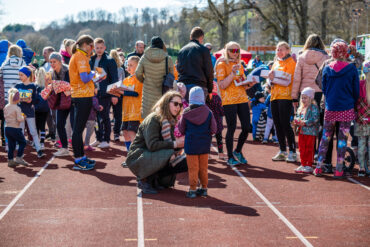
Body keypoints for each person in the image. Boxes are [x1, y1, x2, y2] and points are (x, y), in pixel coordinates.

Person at [126, 91, 188, 194]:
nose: (178, 107)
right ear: (166, 102)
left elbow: (171, 144)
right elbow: (152, 145)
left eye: (180, 105)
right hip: (138, 156)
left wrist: (182, 144)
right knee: (169, 153)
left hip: (153, 155)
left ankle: (156, 178)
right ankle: (144, 179)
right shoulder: (154, 119)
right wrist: (176, 144)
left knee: (187, 159)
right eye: (175, 103)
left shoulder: (169, 120)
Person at [313, 42, 359, 178]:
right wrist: (352, 101)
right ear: (345, 52)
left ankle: (319, 167)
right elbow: (355, 89)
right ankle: (339, 169)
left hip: (330, 107)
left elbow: (324, 88)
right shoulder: (351, 68)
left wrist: (331, 98)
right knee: (342, 139)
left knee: (325, 138)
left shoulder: (327, 67)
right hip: (346, 107)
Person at [216, 41, 256, 166]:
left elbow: (241, 83)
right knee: (231, 128)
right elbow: (222, 85)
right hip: (229, 100)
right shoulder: (221, 64)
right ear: (227, 51)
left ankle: (237, 151)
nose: (235, 53)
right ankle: (229, 157)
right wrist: (232, 73)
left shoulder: (239, 64)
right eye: (233, 50)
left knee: (247, 127)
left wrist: (250, 83)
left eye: (237, 50)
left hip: (242, 99)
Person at [178, 86, 217, 198]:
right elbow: (214, 129)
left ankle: (192, 189)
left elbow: (181, 129)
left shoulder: (186, 112)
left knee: (192, 168)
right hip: (204, 145)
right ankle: (204, 188)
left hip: (191, 145)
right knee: (203, 168)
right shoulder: (208, 112)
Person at [69, 34, 96, 170]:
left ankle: (81, 156)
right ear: (86, 45)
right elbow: (85, 78)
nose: (93, 50)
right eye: (92, 46)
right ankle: (78, 159)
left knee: (79, 129)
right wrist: (94, 74)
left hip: (83, 95)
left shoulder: (81, 55)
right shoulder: (80, 56)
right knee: (78, 130)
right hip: (81, 96)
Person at [269, 41, 297, 163]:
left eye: (281, 49)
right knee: (277, 124)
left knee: (285, 124)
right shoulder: (276, 63)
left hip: (285, 96)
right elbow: (271, 81)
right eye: (277, 49)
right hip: (274, 96)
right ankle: (282, 150)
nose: (278, 51)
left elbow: (288, 80)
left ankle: (292, 151)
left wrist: (274, 78)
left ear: (287, 50)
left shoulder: (291, 63)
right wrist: (270, 80)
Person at [89, 38, 118, 149]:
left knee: (105, 117)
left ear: (105, 48)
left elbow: (114, 79)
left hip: (105, 94)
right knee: (95, 118)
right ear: (94, 48)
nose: (99, 50)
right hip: (93, 94)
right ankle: (98, 138)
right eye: (97, 48)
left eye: (101, 48)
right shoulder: (91, 60)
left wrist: (114, 94)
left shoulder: (110, 60)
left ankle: (106, 139)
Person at [136, 36, 174, 119]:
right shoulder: (168, 58)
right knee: (162, 119)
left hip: (147, 95)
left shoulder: (144, 57)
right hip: (163, 94)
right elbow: (172, 76)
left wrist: (144, 81)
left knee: (148, 120)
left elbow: (138, 73)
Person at [292, 34, 329, 110]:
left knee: (305, 118)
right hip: (320, 92)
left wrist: (294, 97)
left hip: (304, 93)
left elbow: (297, 78)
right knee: (319, 117)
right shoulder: (326, 57)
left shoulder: (301, 57)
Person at [15, 66, 45, 158]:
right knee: (21, 131)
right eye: (19, 75)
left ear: (27, 75)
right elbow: (14, 98)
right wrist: (17, 99)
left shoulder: (33, 86)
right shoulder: (18, 86)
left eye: (22, 75)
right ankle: (20, 150)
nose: (20, 77)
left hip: (30, 112)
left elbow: (37, 99)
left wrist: (31, 101)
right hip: (20, 112)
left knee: (33, 131)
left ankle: (39, 149)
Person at [177, 27, 214, 100]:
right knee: (198, 110)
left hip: (184, 87)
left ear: (190, 37)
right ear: (201, 38)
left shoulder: (181, 51)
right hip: (199, 86)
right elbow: (209, 71)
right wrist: (210, 90)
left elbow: (179, 69)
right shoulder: (204, 50)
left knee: (186, 111)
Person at [49, 52, 73, 157]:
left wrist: (55, 85)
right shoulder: (52, 73)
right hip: (60, 102)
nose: (52, 64)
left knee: (74, 125)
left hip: (72, 101)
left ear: (59, 61)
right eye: (51, 62)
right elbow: (55, 88)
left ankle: (78, 149)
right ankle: (64, 148)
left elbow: (69, 86)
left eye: (54, 61)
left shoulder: (67, 70)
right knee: (59, 124)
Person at [293, 87, 319, 173]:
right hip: (302, 131)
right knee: (301, 148)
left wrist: (305, 122)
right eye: (302, 98)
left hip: (310, 132)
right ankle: (303, 164)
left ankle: (309, 165)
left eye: (305, 98)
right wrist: (296, 120)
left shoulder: (313, 108)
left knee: (309, 148)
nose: (303, 99)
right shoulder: (301, 108)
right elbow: (298, 117)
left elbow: (315, 119)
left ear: (310, 98)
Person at [121, 56, 143, 153]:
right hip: (126, 111)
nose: (128, 67)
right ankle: (130, 154)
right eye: (127, 65)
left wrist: (121, 92)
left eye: (131, 65)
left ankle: (136, 155)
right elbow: (124, 93)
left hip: (135, 111)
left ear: (138, 66)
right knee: (125, 132)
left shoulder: (139, 78)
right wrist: (115, 91)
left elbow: (136, 93)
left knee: (131, 132)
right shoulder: (126, 79)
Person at [4, 88, 28, 167]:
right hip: (15, 128)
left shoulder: (6, 106)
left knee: (11, 145)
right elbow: (19, 119)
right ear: (17, 98)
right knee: (23, 142)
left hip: (7, 128)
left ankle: (10, 160)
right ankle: (19, 157)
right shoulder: (17, 108)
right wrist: (23, 117)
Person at [354, 61, 369, 177]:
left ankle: (362, 168)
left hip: (361, 119)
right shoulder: (361, 84)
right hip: (365, 119)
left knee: (361, 144)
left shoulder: (360, 84)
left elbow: (355, 101)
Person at [206, 82, 226, 160]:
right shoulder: (218, 98)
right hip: (217, 121)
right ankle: (220, 154)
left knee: (208, 138)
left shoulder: (206, 98)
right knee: (219, 138)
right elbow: (221, 111)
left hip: (209, 121)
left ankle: (207, 154)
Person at [110, 49, 125, 141]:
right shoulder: (121, 69)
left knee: (105, 114)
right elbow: (122, 82)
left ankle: (105, 133)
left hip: (109, 92)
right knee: (118, 114)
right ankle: (116, 133)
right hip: (118, 92)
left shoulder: (108, 67)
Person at [34, 67, 49, 149]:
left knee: (36, 126)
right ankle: (42, 142)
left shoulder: (35, 86)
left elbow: (34, 98)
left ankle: (36, 142)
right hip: (45, 108)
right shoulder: (47, 86)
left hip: (37, 108)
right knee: (43, 126)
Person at [84, 85, 103, 151]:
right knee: (90, 132)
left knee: (82, 131)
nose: (97, 90)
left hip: (85, 116)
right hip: (91, 117)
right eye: (96, 88)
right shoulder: (94, 97)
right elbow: (96, 106)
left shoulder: (85, 95)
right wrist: (100, 107)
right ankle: (86, 145)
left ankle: (83, 143)